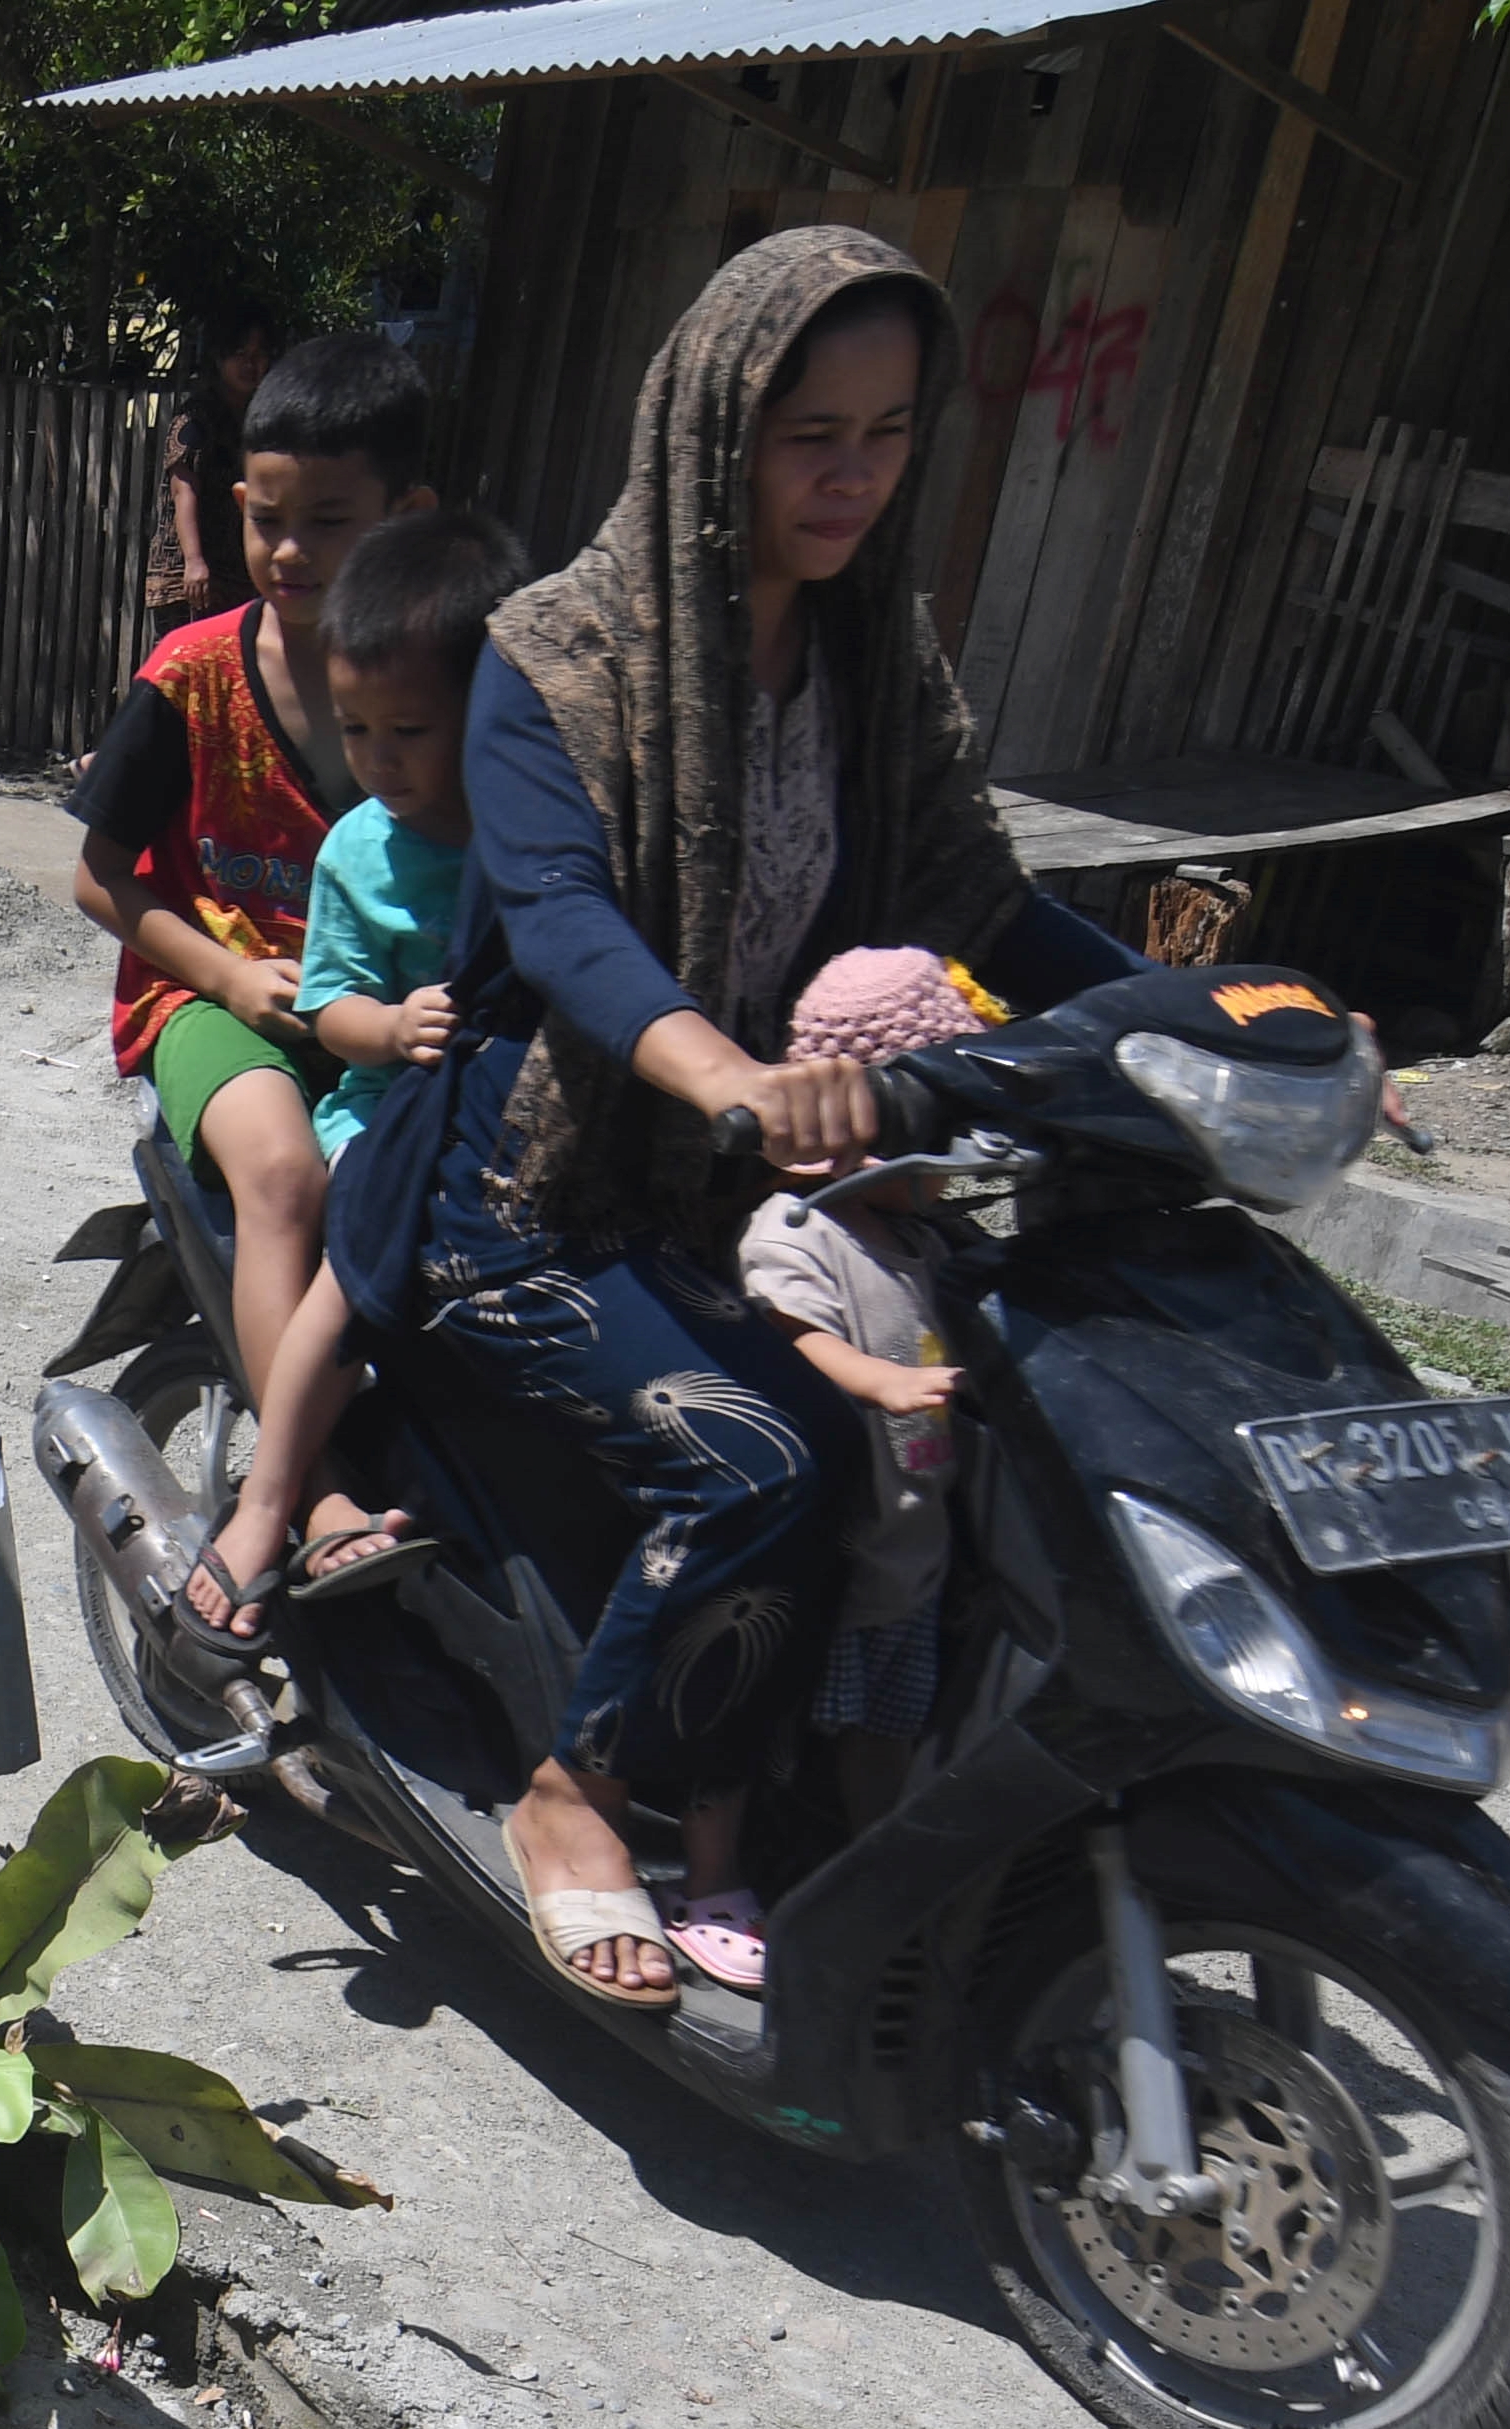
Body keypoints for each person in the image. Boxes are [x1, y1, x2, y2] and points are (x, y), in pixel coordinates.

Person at [313, 228, 1141, 2006]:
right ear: (708, 431)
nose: (847, 475)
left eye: (885, 432)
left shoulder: (872, 656)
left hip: (758, 1183)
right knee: (765, 1448)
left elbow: (980, 902)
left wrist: (1213, 1014)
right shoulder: (556, 653)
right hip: (530, 1187)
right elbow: (560, 923)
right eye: (804, 434)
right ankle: (569, 1789)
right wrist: (731, 1080)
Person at [65, 332, 444, 1640]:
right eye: (270, 522)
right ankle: (304, 1492)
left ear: (407, 520)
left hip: (384, 1013)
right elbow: (99, 879)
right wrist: (228, 969)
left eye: (326, 524)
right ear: (236, 509)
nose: (289, 554)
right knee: (288, 1179)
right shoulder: (191, 678)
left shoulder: (443, 684)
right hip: (209, 1009)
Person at [712, 947, 999, 1971]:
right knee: (803, 1729)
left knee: (888, 1724)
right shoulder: (795, 1231)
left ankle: (884, 1864)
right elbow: (789, 1330)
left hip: (911, 1549)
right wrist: (868, 1380)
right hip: (840, 1549)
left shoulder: (919, 1241)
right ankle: (817, 1877)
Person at [297, 506, 523, 1167]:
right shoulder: (354, 852)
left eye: (409, 731)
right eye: (353, 728)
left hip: (501, 1112)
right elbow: (331, 1008)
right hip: (383, 1112)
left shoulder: (531, 827)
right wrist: (394, 1028)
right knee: (368, 1227)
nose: (377, 760)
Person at [141, 298, 278, 648]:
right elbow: (183, 487)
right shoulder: (197, 417)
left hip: (236, 579)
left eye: (258, 354)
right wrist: (194, 561)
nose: (251, 364)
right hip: (189, 580)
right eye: (240, 354)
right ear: (219, 358)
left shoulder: (257, 420)